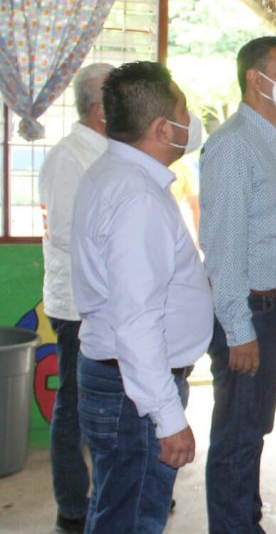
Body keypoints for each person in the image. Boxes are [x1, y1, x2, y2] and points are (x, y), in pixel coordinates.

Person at [70, 61, 211, 533]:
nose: (190, 123)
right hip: (136, 391)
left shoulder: (111, 174)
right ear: (161, 128)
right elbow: (137, 321)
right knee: (131, 519)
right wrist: (167, 417)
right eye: (184, 112)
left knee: (113, 510)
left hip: (121, 380)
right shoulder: (138, 200)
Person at [199, 35, 276, 532]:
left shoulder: (268, 141)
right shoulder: (233, 146)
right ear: (254, 78)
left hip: (270, 309)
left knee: (253, 431)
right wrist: (239, 328)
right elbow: (222, 249)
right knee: (238, 435)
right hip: (247, 312)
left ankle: (246, 522)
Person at [38, 62, 112, 534]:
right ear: (101, 108)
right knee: (75, 407)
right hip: (77, 306)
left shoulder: (114, 151)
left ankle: (114, 495)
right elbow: (65, 233)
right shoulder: (68, 157)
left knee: (115, 404)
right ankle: (73, 504)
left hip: (113, 302)